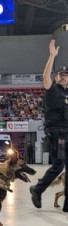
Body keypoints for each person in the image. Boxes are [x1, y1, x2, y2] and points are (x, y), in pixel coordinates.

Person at [30, 39, 68, 212]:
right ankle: (37, 189)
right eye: (61, 74)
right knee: (59, 165)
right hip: (57, 133)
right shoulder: (52, 89)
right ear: (57, 77)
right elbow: (46, 77)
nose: (64, 76)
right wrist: (52, 56)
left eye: (66, 75)